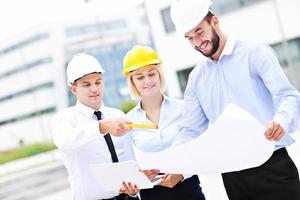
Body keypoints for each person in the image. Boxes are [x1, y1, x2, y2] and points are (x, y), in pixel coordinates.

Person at [169, 0, 300, 199]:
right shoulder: (196, 79)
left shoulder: (254, 53)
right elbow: (190, 130)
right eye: (189, 38)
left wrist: (281, 120)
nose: (196, 42)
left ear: (215, 21)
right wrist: (168, 163)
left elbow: (287, 95)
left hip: (273, 167)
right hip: (233, 176)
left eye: (199, 32)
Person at [119, 45, 206, 200]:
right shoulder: (128, 122)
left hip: (189, 190)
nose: (147, 81)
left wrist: (181, 174)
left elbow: (199, 150)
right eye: (140, 77)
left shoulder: (184, 108)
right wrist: (135, 183)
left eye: (152, 74)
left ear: (159, 75)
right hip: (152, 194)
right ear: (132, 82)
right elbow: (129, 163)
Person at [51, 53, 138, 200]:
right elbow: (65, 141)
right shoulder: (65, 118)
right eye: (87, 84)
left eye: (98, 82)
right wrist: (101, 127)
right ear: (74, 89)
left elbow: (129, 157)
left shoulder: (116, 114)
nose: (94, 89)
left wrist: (135, 188)